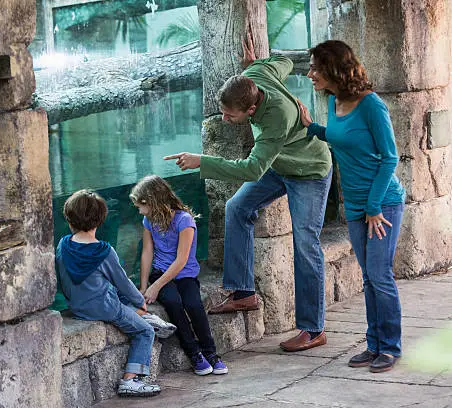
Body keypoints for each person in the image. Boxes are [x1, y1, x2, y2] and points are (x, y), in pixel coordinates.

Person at [164, 33, 332, 352]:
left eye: (231, 116)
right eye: (223, 112)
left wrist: (203, 161)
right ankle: (243, 293)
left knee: (306, 243)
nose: (225, 120)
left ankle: (313, 329)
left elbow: (252, 169)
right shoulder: (252, 77)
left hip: (308, 170)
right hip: (280, 163)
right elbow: (282, 61)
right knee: (237, 208)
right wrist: (258, 63)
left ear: (252, 108)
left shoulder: (277, 117)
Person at [298, 40, 405, 373]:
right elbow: (340, 138)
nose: (310, 73)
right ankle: (373, 345)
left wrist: (374, 206)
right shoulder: (333, 101)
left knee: (380, 275)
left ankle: (389, 347)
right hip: (358, 207)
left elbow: (389, 157)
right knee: (369, 279)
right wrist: (313, 128)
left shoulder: (372, 105)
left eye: (315, 67)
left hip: (382, 202)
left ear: (333, 69)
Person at [56, 189, 176, 397]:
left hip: (77, 305)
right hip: (105, 308)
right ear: (100, 220)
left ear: (69, 220)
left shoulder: (63, 244)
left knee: (109, 289)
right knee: (144, 332)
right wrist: (140, 300)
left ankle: (144, 316)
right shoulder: (104, 251)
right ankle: (131, 380)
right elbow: (123, 283)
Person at [131, 175, 228, 376]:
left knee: (193, 304)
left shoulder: (184, 220)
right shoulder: (148, 220)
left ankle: (211, 353)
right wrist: (143, 286)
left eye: (140, 205)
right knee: (174, 303)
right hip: (160, 272)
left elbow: (181, 260)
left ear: (152, 201)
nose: (138, 210)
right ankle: (194, 353)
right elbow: (147, 252)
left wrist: (155, 287)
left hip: (184, 274)